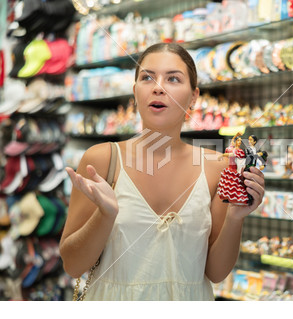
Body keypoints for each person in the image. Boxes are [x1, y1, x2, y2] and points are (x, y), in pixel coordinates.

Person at [59, 43, 265, 301]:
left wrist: (236, 218)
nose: (158, 87)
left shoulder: (218, 167)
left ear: (193, 97)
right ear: (135, 92)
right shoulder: (102, 160)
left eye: (173, 79)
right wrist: (105, 214)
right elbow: (73, 265)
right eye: (147, 77)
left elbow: (216, 272)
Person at [217, 132, 249, 205]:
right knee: (228, 183)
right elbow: (232, 141)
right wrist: (236, 135)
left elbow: (231, 154)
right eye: (238, 140)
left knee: (233, 183)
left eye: (240, 141)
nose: (239, 142)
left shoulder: (239, 151)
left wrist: (222, 155)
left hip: (234, 168)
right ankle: (227, 197)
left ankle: (234, 197)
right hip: (230, 167)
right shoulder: (232, 148)